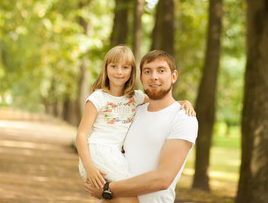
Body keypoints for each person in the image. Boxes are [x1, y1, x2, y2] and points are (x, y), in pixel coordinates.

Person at [76, 46, 195, 203]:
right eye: (147, 71)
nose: (154, 77)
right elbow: (82, 134)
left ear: (173, 76)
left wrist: (185, 102)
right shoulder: (129, 107)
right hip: (102, 158)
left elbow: (163, 179)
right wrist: (90, 168)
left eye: (161, 71)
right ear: (141, 76)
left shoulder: (179, 116)